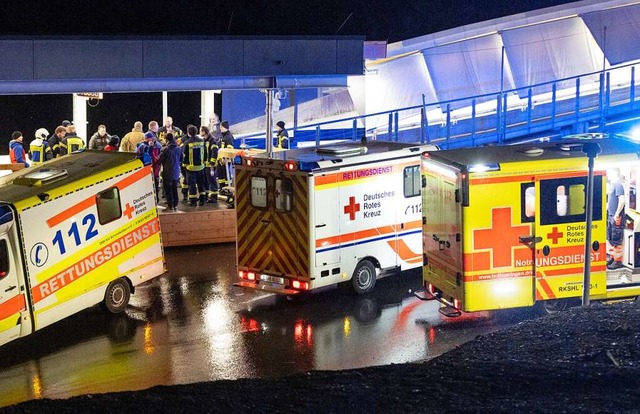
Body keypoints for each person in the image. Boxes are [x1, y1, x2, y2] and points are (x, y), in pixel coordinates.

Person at [182, 125, 207, 206]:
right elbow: (205, 153)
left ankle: (193, 201)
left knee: (192, 185)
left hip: (190, 168)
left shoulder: (187, 143)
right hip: (201, 167)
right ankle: (202, 200)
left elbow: (184, 155)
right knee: (201, 184)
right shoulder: (202, 141)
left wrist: (184, 165)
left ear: (188, 133)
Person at [159, 133, 183, 212]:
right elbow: (181, 159)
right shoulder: (179, 149)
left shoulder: (164, 149)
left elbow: (160, 160)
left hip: (167, 172)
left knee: (168, 189)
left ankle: (170, 206)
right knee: (174, 188)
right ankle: (175, 205)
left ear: (166, 140)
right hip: (176, 171)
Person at [607, 169, 626, 270]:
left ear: (614, 173)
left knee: (616, 239)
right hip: (610, 215)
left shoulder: (618, 185)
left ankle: (617, 261)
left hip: (616, 217)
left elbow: (622, 201)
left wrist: (617, 213)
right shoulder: (612, 185)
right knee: (611, 238)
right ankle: (612, 257)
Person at [137, 132, 162, 203]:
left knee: (155, 186)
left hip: (154, 170)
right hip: (147, 170)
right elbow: (140, 156)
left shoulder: (157, 146)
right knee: (147, 187)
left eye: (147, 138)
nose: (146, 139)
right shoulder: (142, 146)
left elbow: (158, 157)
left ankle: (155, 200)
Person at [201, 126, 218, 203]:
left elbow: (214, 152)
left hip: (210, 165)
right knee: (205, 181)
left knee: (212, 181)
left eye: (201, 131)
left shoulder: (212, 140)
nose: (200, 133)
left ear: (204, 132)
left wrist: (212, 163)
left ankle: (214, 197)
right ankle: (206, 196)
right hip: (205, 165)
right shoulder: (205, 140)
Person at [217, 121, 235, 188]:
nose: (220, 128)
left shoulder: (229, 137)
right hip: (220, 159)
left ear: (225, 127)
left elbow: (230, 149)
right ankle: (222, 187)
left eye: (221, 127)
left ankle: (228, 188)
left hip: (225, 161)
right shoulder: (222, 136)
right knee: (220, 174)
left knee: (226, 175)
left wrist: (225, 159)